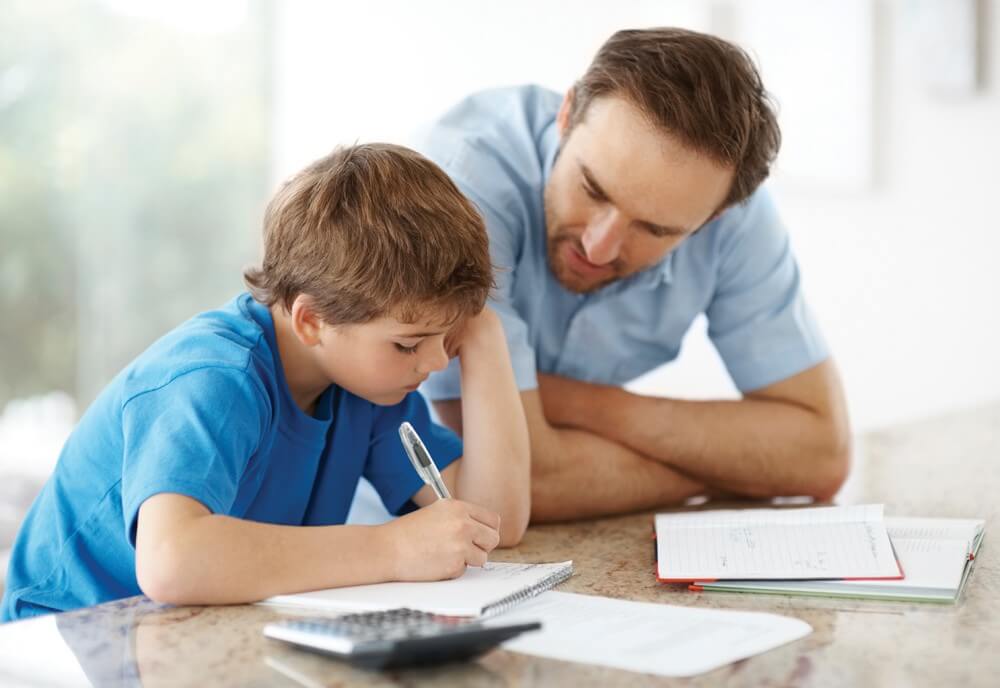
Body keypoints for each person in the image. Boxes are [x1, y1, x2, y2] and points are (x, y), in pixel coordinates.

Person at [1, 143, 530, 621]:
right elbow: (170, 562)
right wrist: (393, 548)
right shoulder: (213, 379)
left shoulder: (371, 384)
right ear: (311, 321)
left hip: (199, 631)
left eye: (445, 336)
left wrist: (484, 339)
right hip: (68, 636)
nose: (436, 362)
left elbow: (494, 524)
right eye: (410, 343)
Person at [417, 27, 851, 522]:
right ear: (567, 114)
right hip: (386, 542)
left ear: (711, 220)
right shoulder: (459, 189)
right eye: (592, 188)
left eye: (653, 227)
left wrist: (582, 405)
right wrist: (734, 471)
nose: (598, 247)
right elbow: (515, 481)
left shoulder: (731, 211)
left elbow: (820, 455)